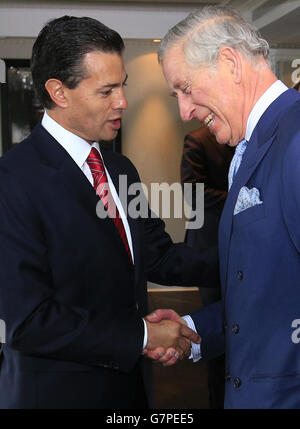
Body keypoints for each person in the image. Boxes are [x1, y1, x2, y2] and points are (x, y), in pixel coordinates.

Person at [0, 16, 220, 409]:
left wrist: (249, 258)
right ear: (58, 92)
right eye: (107, 91)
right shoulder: (12, 181)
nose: (122, 102)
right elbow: (29, 322)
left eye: (123, 86)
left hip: (130, 391)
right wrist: (141, 337)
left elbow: (158, 255)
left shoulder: (119, 169)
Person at [146, 5, 300, 408]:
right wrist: (196, 329)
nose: (184, 111)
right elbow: (268, 289)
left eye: (185, 88)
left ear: (229, 62)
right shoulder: (246, 151)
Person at [181, 126, 234, 408]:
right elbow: (193, 191)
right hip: (210, 246)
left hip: (244, 243)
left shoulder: (250, 138)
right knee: (216, 335)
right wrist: (244, 196)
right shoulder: (197, 139)